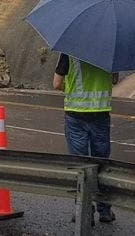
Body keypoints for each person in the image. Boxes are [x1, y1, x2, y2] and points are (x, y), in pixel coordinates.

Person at [53, 53, 116, 223]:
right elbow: (114, 80)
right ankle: (104, 210)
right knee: (101, 163)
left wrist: (72, 89)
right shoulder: (110, 49)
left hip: (75, 115)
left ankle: (84, 210)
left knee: (80, 165)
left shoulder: (70, 50)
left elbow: (56, 83)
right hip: (100, 113)